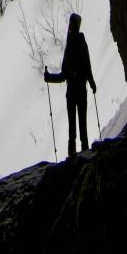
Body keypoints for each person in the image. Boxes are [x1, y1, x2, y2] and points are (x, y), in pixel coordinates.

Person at [45, 11, 96, 156]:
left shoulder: (70, 47)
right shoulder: (81, 43)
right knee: (82, 125)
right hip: (81, 92)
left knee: (72, 127)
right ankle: (86, 153)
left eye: (71, 23)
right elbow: (87, 67)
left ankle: (72, 156)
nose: (70, 26)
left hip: (72, 93)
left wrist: (49, 77)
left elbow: (63, 75)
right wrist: (91, 83)